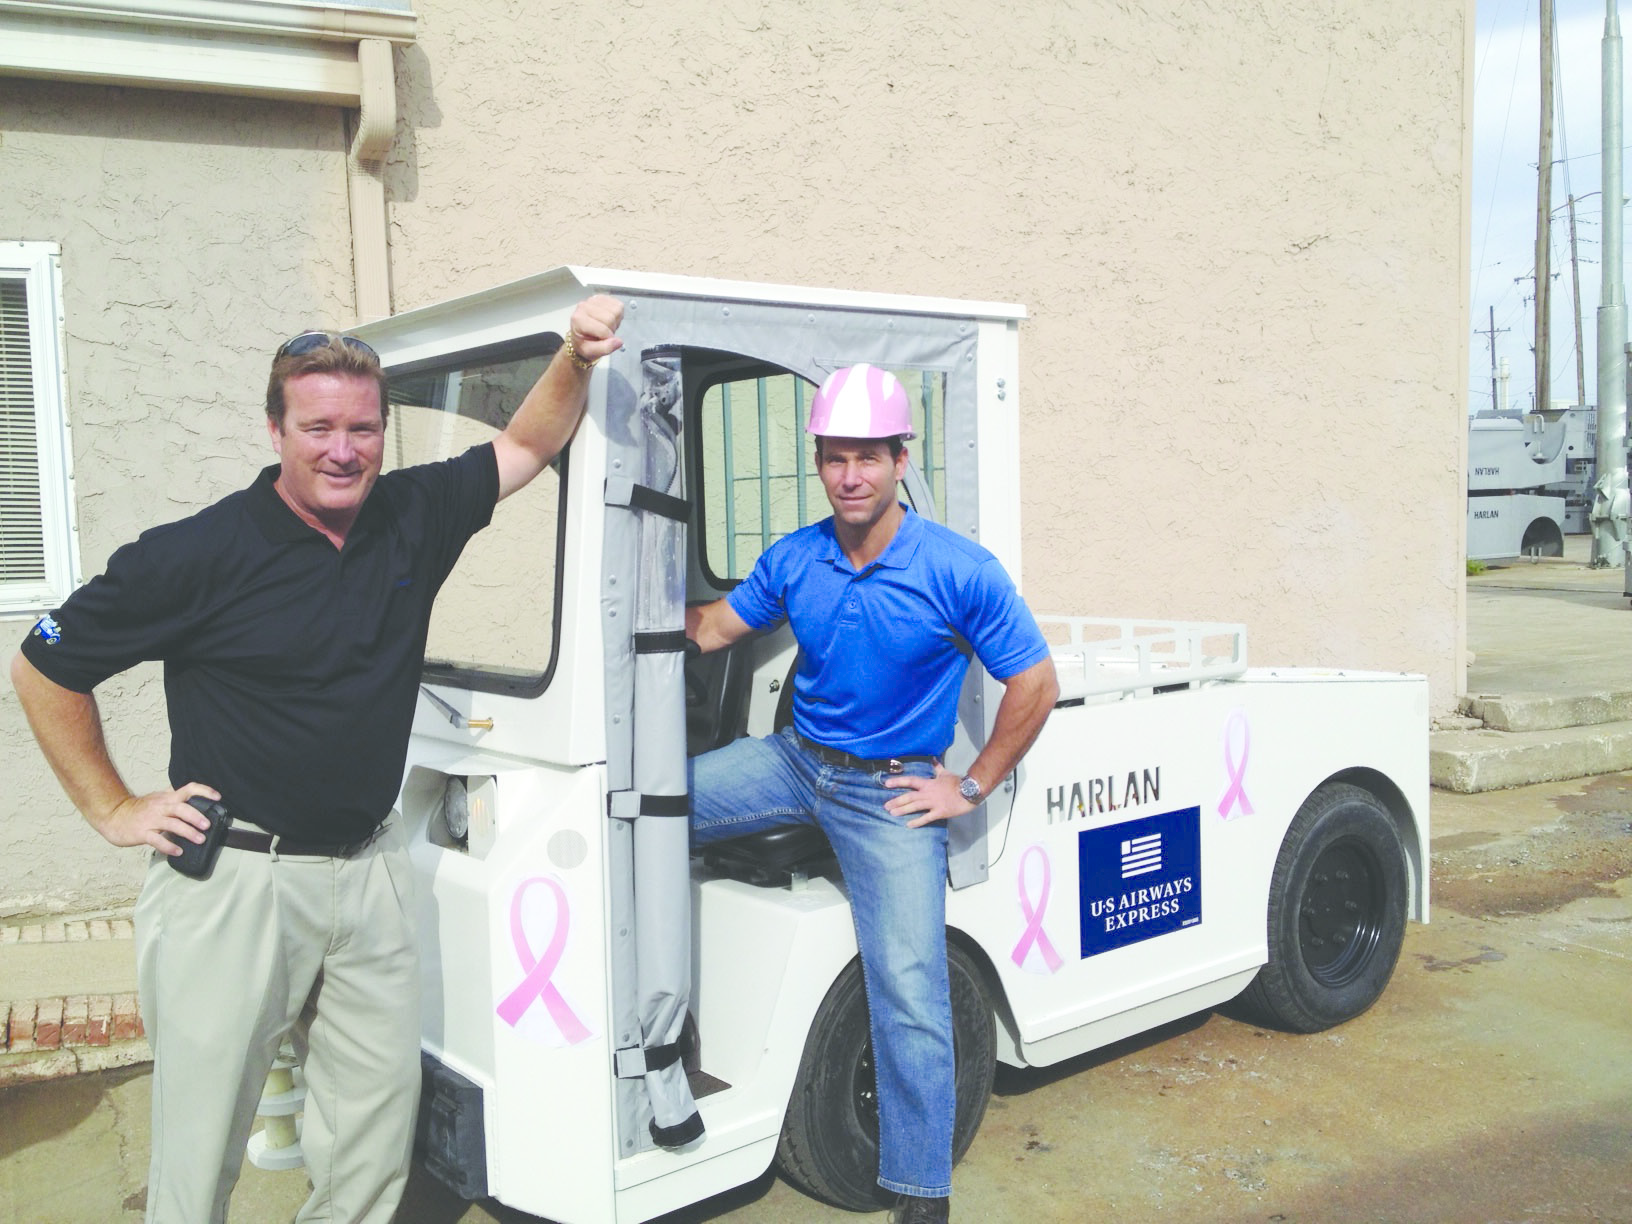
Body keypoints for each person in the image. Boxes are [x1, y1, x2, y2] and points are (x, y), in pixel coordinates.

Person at [8, 296, 625, 1224]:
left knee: (372, 1146)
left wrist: (575, 354)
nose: (344, 450)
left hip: (371, 874)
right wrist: (114, 807)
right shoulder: (196, 553)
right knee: (197, 1158)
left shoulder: (413, 514)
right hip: (238, 886)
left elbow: (529, 445)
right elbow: (44, 665)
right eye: (319, 428)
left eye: (363, 429)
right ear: (276, 431)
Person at [685, 364, 1060, 1224]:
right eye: (834, 458)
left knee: (910, 990)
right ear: (818, 462)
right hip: (794, 761)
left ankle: (922, 1195)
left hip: (889, 793)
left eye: (867, 457)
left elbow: (1036, 681)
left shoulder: (957, 568)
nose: (849, 475)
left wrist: (971, 783)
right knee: (638, 814)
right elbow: (715, 628)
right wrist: (620, 614)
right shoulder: (797, 556)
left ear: (900, 460)